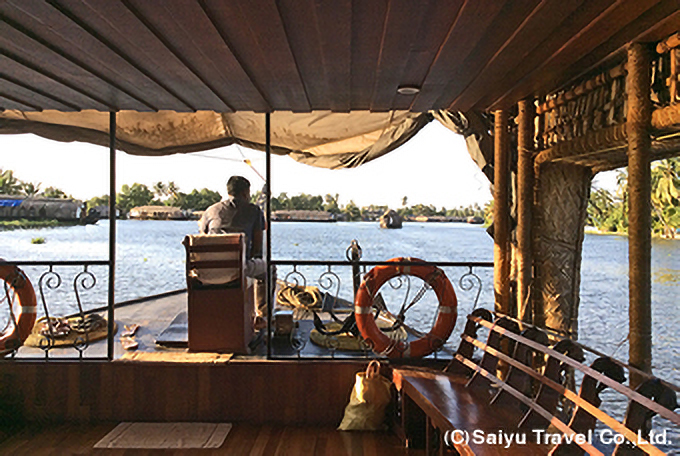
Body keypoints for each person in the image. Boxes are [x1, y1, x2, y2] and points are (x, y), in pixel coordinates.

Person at [199, 176, 268, 328]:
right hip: (238, 269)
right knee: (269, 270)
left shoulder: (210, 210)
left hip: (208, 271)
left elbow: (201, 237)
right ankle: (262, 316)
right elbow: (257, 249)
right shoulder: (254, 211)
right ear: (245, 192)